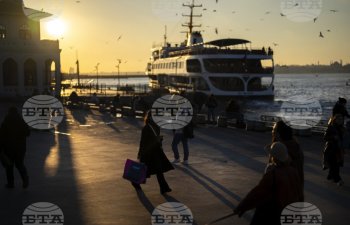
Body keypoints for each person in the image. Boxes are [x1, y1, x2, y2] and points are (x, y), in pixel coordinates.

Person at [234, 142, 303, 225]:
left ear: (273, 157)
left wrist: (242, 207)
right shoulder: (293, 171)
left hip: (274, 213)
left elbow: (257, 193)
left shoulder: (273, 174)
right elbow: (299, 193)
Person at [133, 111, 174, 194]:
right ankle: (135, 182)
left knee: (159, 170)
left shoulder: (156, 127)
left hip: (156, 152)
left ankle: (164, 188)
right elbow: (143, 141)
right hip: (148, 152)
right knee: (145, 171)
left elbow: (155, 139)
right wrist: (140, 153)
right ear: (150, 117)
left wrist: (159, 140)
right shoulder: (146, 128)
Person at [0, 106, 30, 189]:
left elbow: (1, 136)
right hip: (20, 148)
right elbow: (28, 133)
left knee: (9, 167)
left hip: (8, 148)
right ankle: (25, 179)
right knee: (20, 164)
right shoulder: (21, 121)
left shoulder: (5, 122)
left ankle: (10, 184)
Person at [270, 121, 304, 191]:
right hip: (296, 190)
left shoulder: (280, 150)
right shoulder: (296, 147)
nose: (272, 131)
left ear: (278, 134)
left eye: (273, 129)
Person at [323, 114, 345, 186]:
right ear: (334, 120)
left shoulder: (341, 128)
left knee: (336, 164)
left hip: (338, 149)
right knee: (334, 165)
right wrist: (333, 137)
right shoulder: (331, 127)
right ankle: (338, 180)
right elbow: (325, 137)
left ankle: (330, 176)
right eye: (338, 119)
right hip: (331, 149)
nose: (340, 121)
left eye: (341, 119)